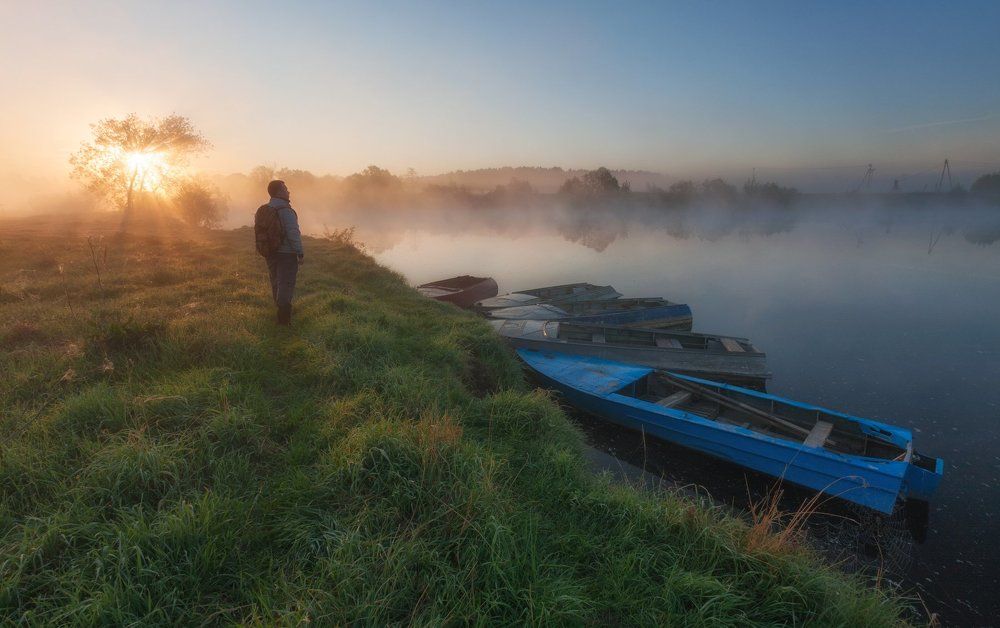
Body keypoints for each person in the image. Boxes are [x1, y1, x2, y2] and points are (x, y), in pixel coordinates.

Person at [264, 179, 303, 325]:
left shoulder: (266, 209)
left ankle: (279, 311)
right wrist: (300, 252)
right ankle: (284, 320)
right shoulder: (286, 211)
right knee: (286, 283)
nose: (288, 191)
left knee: (275, 281)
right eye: (286, 189)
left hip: (270, 252)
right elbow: (293, 233)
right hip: (287, 254)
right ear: (280, 192)